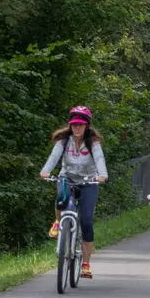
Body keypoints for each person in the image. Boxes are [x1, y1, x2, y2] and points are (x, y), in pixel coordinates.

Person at [40, 105, 108, 279]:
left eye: (80, 124)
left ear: (87, 125)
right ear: (70, 125)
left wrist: (102, 175)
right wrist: (46, 171)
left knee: (86, 221)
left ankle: (85, 264)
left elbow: (99, 159)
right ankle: (58, 222)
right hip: (68, 178)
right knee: (61, 199)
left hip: (88, 181)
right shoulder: (63, 141)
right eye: (74, 124)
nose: (77, 127)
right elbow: (54, 157)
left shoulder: (93, 143)